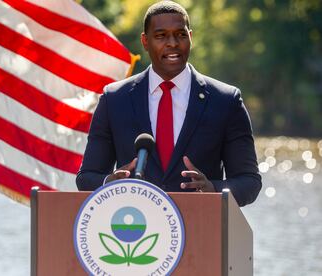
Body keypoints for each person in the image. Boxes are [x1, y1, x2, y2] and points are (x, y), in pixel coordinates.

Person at [76, 1, 261, 207]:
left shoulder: (226, 101)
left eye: (180, 35)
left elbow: (249, 182)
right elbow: (87, 177)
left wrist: (213, 190)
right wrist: (110, 183)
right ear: (145, 41)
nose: (172, 43)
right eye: (161, 35)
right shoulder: (114, 99)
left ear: (190, 38)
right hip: (135, 228)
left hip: (202, 228)